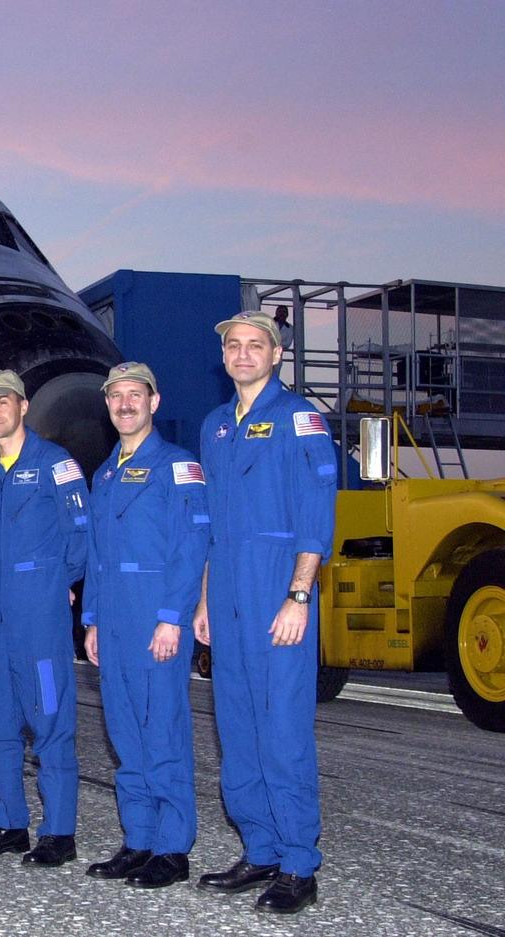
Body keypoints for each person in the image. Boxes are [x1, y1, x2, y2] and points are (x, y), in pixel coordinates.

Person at [193, 311, 336, 915]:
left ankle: (299, 862)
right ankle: (260, 848)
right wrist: (202, 600)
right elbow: (209, 526)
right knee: (239, 731)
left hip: (278, 588)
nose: (244, 353)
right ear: (223, 356)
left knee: (282, 733)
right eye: (234, 345)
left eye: (256, 345)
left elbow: (317, 512)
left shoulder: (299, 419)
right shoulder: (216, 427)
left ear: (276, 355)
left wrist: (299, 595)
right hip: (225, 594)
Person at [82, 363, 210, 888]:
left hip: (155, 619)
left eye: (135, 395)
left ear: (154, 403)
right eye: (116, 396)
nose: (125, 404)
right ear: (108, 405)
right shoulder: (104, 474)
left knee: (162, 734)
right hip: (112, 621)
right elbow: (95, 554)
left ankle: (172, 848)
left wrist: (172, 618)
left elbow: (191, 547)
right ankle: (138, 840)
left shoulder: (178, 467)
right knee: (124, 737)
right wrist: (89, 620)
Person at [0, 370, 88, 867]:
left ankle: (58, 832)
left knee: (50, 717)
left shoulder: (56, 465)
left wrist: (56, 584)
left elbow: (79, 537)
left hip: (38, 607)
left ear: (23, 406)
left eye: (2, 402)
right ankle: (9, 823)